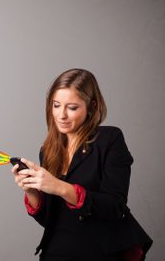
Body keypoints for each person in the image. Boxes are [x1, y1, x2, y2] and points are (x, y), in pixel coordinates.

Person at [11, 68, 152, 261]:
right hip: (57, 251)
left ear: (91, 106)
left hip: (103, 252)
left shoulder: (110, 139)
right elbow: (51, 220)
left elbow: (115, 207)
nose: (61, 115)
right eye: (56, 105)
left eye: (72, 107)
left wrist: (59, 187)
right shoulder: (48, 150)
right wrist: (32, 191)